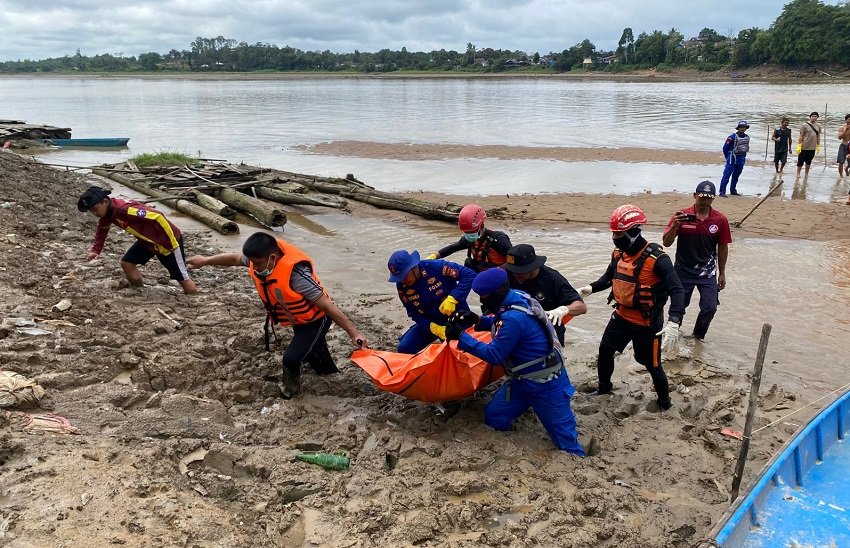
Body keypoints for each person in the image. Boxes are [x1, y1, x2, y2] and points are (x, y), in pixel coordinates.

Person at [187, 232, 367, 398]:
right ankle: (329, 373)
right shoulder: (259, 258)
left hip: (316, 319)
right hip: (298, 319)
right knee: (313, 350)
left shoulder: (297, 276)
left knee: (291, 358)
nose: (254, 267)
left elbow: (328, 307)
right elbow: (234, 259)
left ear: (272, 258)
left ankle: (290, 391)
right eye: (251, 262)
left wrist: (354, 333)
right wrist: (204, 260)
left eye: (257, 263)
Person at [446, 268, 585, 455]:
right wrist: (477, 320)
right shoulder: (518, 297)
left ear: (496, 294)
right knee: (495, 417)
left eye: (484, 296)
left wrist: (461, 337)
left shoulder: (514, 319)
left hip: (546, 385)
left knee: (567, 442)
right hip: (521, 382)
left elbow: (494, 355)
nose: (481, 301)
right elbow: (499, 320)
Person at [576, 205, 684, 411]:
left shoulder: (658, 259)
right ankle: (604, 388)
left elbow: (677, 290)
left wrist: (674, 321)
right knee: (605, 350)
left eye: (619, 233)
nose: (615, 238)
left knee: (652, 365)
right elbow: (609, 276)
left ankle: (664, 404)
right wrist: (591, 288)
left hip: (647, 324)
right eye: (614, 233)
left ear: (634, 231)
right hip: (621, 317)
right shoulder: (618, 254)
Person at [77, 185, 197, 294]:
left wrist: (171, 243)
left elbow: (157, 216)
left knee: (182, 277)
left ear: (105, 202)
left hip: (166, 241)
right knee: (127, 263)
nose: (94, 213)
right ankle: (139, 291)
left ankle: (193, 297)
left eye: (95, 209)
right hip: (147, 242)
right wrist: (95, 251)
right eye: (91, 211)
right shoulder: (107, 214)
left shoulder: (124, 209)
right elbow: (102, 229)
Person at [662, 181, 732, 341]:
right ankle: (671, 337)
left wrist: (722, 273)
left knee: (710, 307)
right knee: (678, 307)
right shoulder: (681, 216)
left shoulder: (720, 220)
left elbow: (722, 247)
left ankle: (697, 339)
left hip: (707, 273)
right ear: (695, 196)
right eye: (702, 198)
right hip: (682, 271)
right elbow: (666, 243)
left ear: (713, 199)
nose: (705, 201)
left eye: (709, 198)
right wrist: (675, 226)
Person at [387, 249, 476, 354]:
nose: (402, 281)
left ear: (413, 267)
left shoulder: (436, 267)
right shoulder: (402, 286)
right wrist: (433, 328)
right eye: (398, 278)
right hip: (430, 323)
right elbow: (413, 313)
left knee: (460, 351)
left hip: (456, 318)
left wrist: (453, 298)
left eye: (404, 276)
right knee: (404, 348)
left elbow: (470, 275)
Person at [503, 243, 587, 346]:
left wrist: (563, 310)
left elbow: (581, 307)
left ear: (532, 267)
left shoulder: (552, 279)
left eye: (519, 271)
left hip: (548, 331)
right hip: (518, 327)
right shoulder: (508, 273)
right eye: (513, 270)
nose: (515, 274)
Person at [428, 204, 512, 272]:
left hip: (501, 274)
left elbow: (515, 260)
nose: (469, 235)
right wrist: (432, 257)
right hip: (483, 271)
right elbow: (452, 248)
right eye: (466, 232)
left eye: (472, 231)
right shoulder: (468, 240)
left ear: (481, 226)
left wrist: (500, 270)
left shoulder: (498, 240)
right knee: (468, 265)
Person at [719, 120, 750, 197]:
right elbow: (725, 148)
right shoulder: (732, 137)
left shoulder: (747, 137)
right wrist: (728, 158)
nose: (742, 129)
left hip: (741, 160)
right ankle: (722, 192)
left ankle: (733, 190)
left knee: (736, 176)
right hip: (732, 159)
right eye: (741, 127)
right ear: (738, 128)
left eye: (744, 127)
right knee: (726, 175)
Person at [796, 112, 821, 180]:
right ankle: (798, 173)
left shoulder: (818, 125)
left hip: (812, 147)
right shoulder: (804, 125)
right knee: (800, 161)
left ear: (817, 117)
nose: (814, 117)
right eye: (813, 116)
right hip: (804, 146)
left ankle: (806, 173)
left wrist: (818, 145)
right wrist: (799, 145)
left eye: (816, 116)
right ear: (810, 117)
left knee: (808, 161)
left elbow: (818, 136)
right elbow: (801, 136)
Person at [837, 114, 850, 179]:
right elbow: (839, 137)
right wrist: (845, 130)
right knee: (841, 162)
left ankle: (846, 169)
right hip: (843, 145)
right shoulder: (842, 127)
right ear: (846, 120)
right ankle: (841, 176)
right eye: (849, 119)